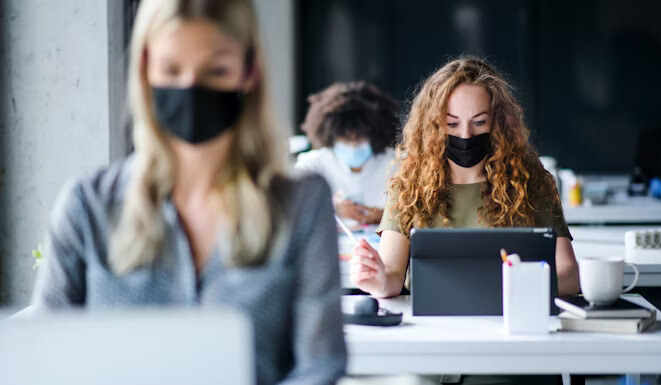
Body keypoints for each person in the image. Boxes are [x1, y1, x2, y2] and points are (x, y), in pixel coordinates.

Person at [31, 0, 346, 383]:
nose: (191, 89)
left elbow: (319, 367)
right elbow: (43, 362)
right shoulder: (88, 206)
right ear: (146, 68)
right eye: (171, 69)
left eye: (216, 71)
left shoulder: (302, 204)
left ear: (249, 72)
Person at [350, 57, 580, 298]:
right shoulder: (410, 186)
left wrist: (517, 285)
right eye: (452, 123)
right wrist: (376, 279)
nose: (466, 134)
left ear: (498, 123)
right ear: (433, 125)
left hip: (512, 324)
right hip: (430, 329)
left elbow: (569, 275)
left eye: (479, 122)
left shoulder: (530, 181)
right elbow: (392, 278)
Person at [296, 82, 400, 225]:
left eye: (359, 139)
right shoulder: (312, 164)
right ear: (331, 135)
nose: (352, 147)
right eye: (345, 139)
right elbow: (292, 208)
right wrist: (331, 208)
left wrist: (384, 217)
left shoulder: (397, 163)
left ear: (375, 135)